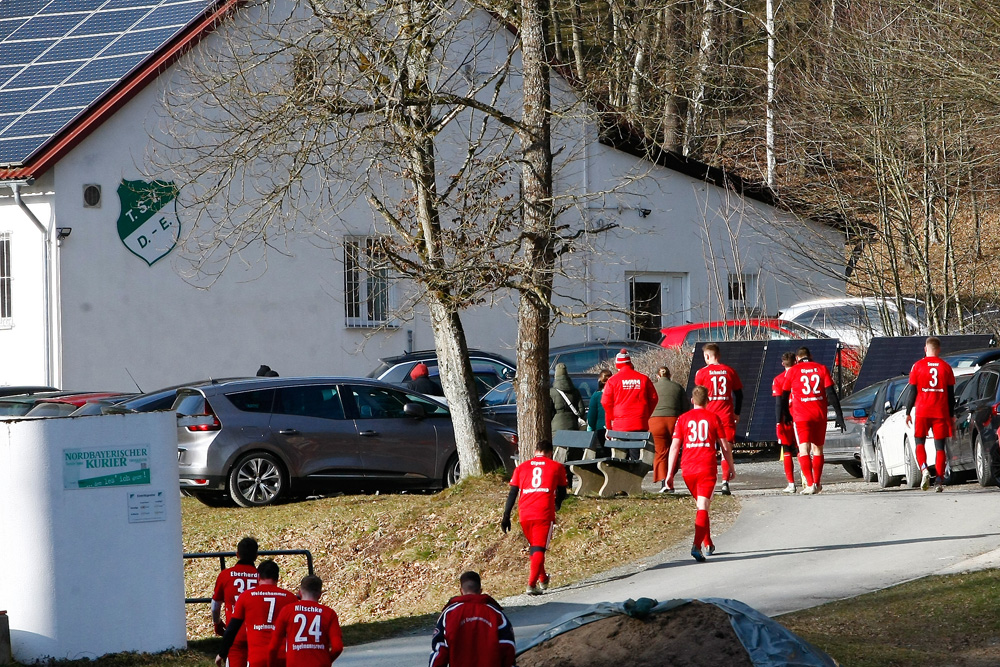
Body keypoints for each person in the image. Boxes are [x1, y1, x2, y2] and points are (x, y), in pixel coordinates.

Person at [665, 386, 734, 562]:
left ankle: (708, 543)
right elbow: (724, 446)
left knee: (701, 505)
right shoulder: (714, 418)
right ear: (708, 400)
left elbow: (674, 447)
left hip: (688, 469)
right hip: (706, 467)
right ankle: (697, 545)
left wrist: (669, 474)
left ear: (692, 401)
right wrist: (731, 467)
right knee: (703, 506)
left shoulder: (682, 419)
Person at [500, 439, 568, 595]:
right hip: (543, 512)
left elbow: (512, 493)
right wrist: (557, 503)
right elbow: (563, 490)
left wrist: (506, 516)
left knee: (535, 547)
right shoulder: (556, 467)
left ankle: (543, 579)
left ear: (535, 451)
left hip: (525, 513)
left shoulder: (521, 468)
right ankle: (531, 585)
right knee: (538, 549)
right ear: (550, 453)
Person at [779, 346, 845, 495]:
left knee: (803, 449)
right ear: (811, 355)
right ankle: (817, 482)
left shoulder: (793, 371)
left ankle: (810, 484)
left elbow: (784, 395)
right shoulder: (821, 368)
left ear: (797, 359)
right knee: (818, 449)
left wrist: (786, 414)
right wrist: (839, 415)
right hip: (819, 415)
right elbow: (831, 393)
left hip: (801, 416)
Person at [216, 560, 298, 667]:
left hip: (257, 658)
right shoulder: (290, 598)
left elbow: (233, 627)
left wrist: (222, 652)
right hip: (282, 657)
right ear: (278, 577)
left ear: (258, 576)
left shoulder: (246, 596)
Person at [429, 571, 516, 667]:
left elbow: (440, 649)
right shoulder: (496, 614)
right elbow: (508, 646)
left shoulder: (449, 614)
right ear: (480, 591)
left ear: (461, 591)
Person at [904, 336, 956, 492]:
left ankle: (924, 469)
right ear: (939, 350)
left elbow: (912, 391)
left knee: (919, 442)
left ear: (925, 349)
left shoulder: (917, 366)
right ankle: (939, 480)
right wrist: (951, 415)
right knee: (940, 446)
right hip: (940, 411)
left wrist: (908, 412)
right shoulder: (946, 367)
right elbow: (951, 395)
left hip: (922, 411)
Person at [693, 343, 743, 496]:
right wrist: (737, 413)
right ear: (719, 355)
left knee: (706, 450)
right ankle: (725, 482)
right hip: (726, 415)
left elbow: (698, 396)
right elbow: (739, 394)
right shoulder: (729, 371)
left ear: (707, 356)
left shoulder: (701, 373)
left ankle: (706, 482)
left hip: (708, 416)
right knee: (726, 449)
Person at [267, 575, 343, 667]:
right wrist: (327, 661)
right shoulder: (329, 613)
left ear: (300, 593)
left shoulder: (287, 611)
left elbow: (273, 647)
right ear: (319, 595)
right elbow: (337, 647)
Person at [212, 537, 260, 667]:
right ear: (256, 556)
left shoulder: (225, 575)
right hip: (257, 632)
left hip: (235, 633)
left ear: (237, 554)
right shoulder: (262, 577)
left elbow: (215, 605)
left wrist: (217, 622)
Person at [600, 350, 657, 433]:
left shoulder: (612, 381)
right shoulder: (644, 379)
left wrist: (613, 417)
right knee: (640, 445)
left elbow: (605, 402)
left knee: (620, 445)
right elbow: (654, 398)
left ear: (617, 364)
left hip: (620, 424)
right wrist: (645, 415)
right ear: (630, 363)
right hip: (640, 422)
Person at [649, 366, 685, 492]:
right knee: (673, 451)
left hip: (655, 422)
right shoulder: (677, 387)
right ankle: (670, 480)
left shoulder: (652, 387)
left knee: (660, 452)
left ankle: (664, 482)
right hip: (674, 421)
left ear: (657, 377)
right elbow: (685, 408)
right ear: (670, 376)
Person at [773, 352, 799, 494]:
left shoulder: (778, 379)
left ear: (783, 363)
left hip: (786, 419)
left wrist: (778, 422)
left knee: (787, 450)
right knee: (802, 449)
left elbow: (778, 403)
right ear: (795, 361)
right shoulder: (801, 375)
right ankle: (809, 480)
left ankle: (791, 483)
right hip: (800, 416)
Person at [550, 363, 585, 432]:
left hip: (556, 428)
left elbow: (549, 412)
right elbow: (581, 411)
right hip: (573, 426)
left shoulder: (552, 392)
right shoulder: (575, 391)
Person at [587, 369, 614, 443]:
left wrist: (591, 429)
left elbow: (592, 416)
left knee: (607, 453)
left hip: (601, 428)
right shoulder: (616, 394)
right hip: (616, 428)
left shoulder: (596, 395)